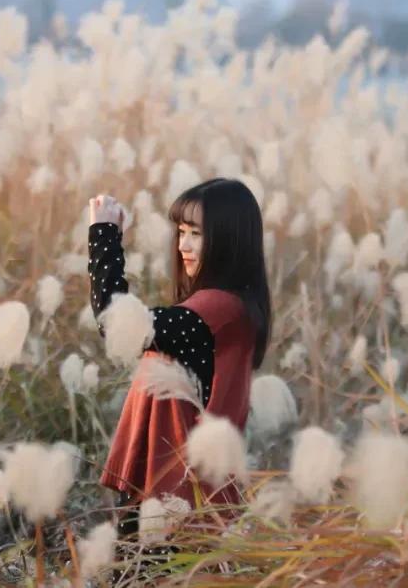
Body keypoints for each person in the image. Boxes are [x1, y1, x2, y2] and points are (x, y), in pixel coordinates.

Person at [86, 178, 271, 545]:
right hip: (182, 503)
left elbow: (116, 321)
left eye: (197, 234)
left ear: (228, 241)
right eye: (181, 231)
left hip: (174, 508)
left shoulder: (216, 313)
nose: (183, 245)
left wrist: (103, 232)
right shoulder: (234, 310)